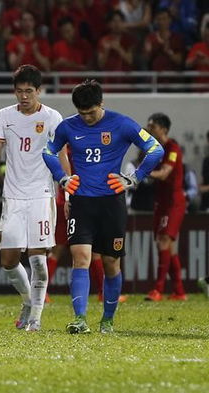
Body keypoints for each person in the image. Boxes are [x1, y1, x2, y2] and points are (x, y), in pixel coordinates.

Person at [42, 79, 164, 334]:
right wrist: (62, 178)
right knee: (81, 258)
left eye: (91, 112)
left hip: (112, 203)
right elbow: (48, 151)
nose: (86, 118)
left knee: (111, 263)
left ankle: (107, 320)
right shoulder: (67, 126)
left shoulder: (122, 123)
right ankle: (80, 319)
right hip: (82, 202)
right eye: (82, 113)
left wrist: (134, 177)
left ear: (102, 104)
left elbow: (155, 149)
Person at [0, 65, 64, 332]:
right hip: (13, 196)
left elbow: (61, 155)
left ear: (39, 91)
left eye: (29, 91)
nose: (24, 96)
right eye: (19, 91)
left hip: (41, 194)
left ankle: (36, 319)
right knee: (8, 260)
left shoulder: (52, 117)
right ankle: (28, 301)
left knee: (38, 259)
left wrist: (67, 186)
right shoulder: (4, 116)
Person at [145, 113, 187, 301]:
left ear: (163, 128)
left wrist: (141, 172)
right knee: (169, 247)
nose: (149, 130)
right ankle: (179, 291)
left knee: (164, 241)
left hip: (173, 203)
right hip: (161, 203)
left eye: (152, 126)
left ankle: (158, 290)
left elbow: (164, 174)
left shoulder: (172, 148)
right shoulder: (155, 149)